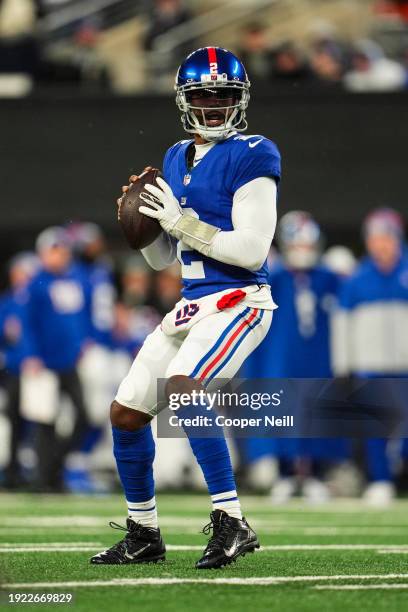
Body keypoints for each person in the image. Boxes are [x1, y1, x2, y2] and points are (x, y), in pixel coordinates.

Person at [91, 47, 281, 568]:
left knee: (183, 389)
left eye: (223, 96)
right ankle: (144, 533)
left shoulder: (255, 152)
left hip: (240, 301)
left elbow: (251, 251)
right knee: (126, 412)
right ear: (185, 100)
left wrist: (177, 221)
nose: (214, 106)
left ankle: (232, 521)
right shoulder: (175, 157)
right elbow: (160, 261)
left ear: (240, 100)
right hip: (194, 304)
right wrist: (144, 226)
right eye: (203, 96)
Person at [242, 212, 344, 504]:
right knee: (282, 416)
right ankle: (286, 473)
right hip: (281, 357)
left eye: (307, 246)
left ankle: (315, 474)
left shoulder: (329, 279)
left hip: (318, 358)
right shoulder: (273, 278)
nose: (303, 252)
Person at [332, 208, 408, 506]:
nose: (381, 244)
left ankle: (398, 463)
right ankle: (381, 481)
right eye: (375, 238)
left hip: (404, 366)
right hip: (370, 367)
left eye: (386, 237)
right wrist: (344, 366)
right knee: (375, 428)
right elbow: (342, 324)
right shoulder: (357, 279)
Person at [25, 226, 90, 491]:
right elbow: (26, 323)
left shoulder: (75, 280)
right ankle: (44, 480)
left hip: (70, 361)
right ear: (42, 253)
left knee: (83, 418)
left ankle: (54, 469)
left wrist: (83, 341)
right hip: (44, 364)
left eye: (62, 250)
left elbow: (78, 319)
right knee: (45, 423)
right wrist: (31, 355)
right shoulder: (35, 284)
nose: (60, 255)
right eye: (54, 250)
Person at [0, 252, 39, 487]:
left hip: (39, 370)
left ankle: (37, 469)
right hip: (13, 371)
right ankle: (13, 469)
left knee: (39, 421)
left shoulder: (40, 300)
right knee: (13, 420)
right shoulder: (7, 303)